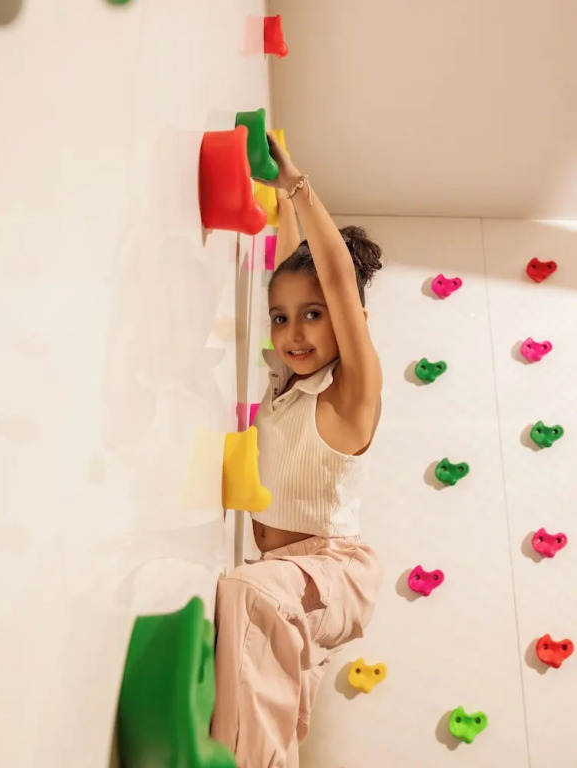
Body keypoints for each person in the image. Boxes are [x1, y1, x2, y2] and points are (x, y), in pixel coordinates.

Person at [211, 134, 384, 768]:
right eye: (281, 319)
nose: (293, 332)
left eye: (314, 314)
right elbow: (288, 272)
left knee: (249, 593)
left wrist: (296, 188)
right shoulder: (285, 388)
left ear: (348, 317)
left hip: (334, 572)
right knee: (268, 697)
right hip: (287, 581)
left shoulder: (350, 394)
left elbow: (334, 277)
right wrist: (279, 205)